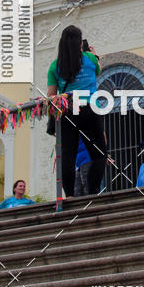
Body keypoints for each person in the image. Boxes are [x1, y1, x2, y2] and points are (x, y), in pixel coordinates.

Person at [47, 26, 108, 198]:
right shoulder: (89, 59)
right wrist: (94, 55)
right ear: (80, 43)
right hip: (89, 108)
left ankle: (70, 195)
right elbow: (99, 70)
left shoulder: (55, 66)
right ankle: (93, 190)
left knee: (68, 156)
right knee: (99, 154)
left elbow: (51, 97)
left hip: (68, 111)